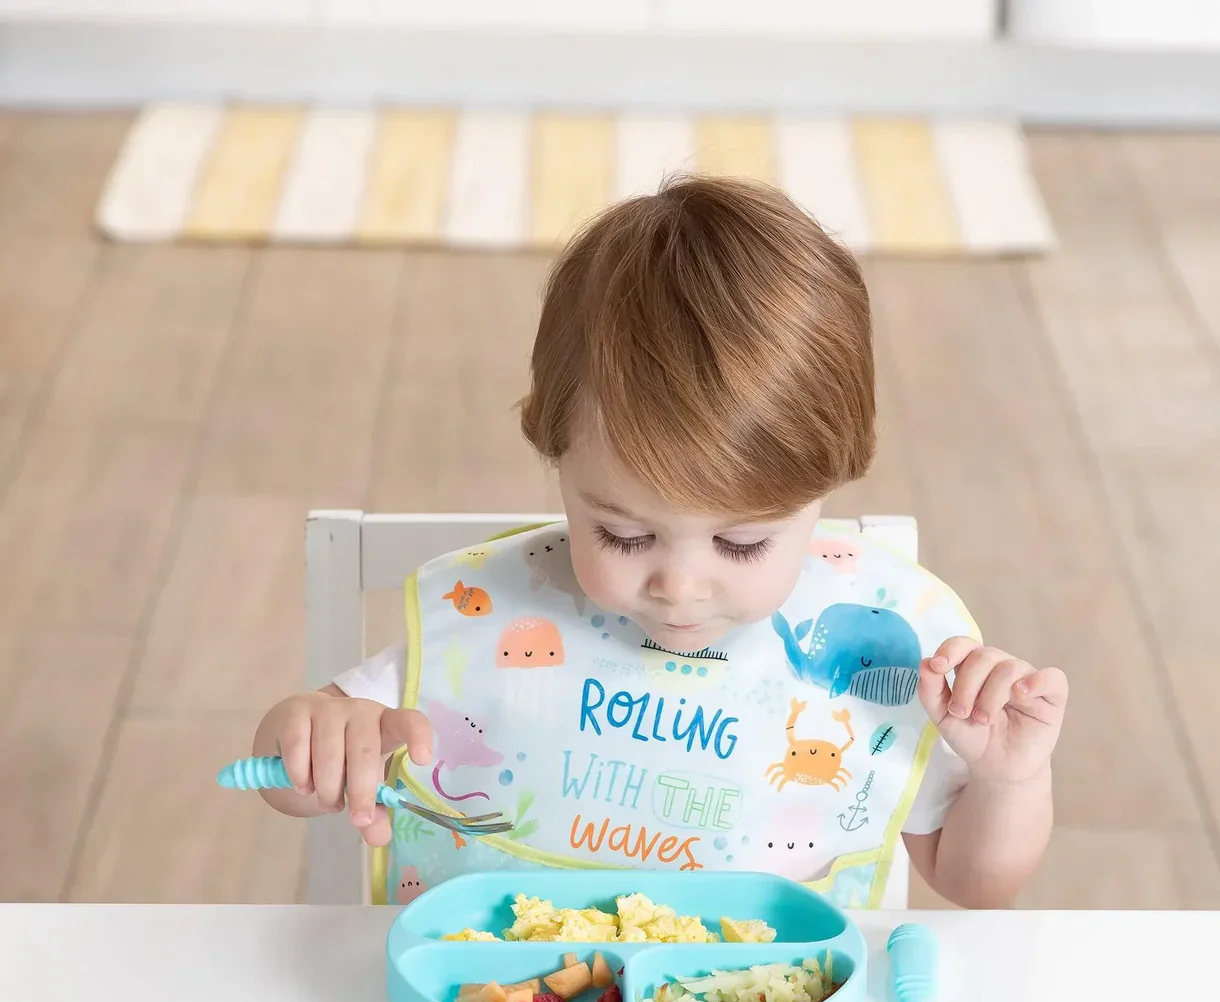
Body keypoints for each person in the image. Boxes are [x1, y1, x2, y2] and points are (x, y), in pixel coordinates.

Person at [251, 175, 1067, 910]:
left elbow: (975, 883)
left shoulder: (879, 655)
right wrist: (314, 741)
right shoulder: (489, 617)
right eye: (623, 533)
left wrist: (1008, 779)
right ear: (557, 457)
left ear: (826, 485)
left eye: (741, 544)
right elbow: (284, 778)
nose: (679, 585)